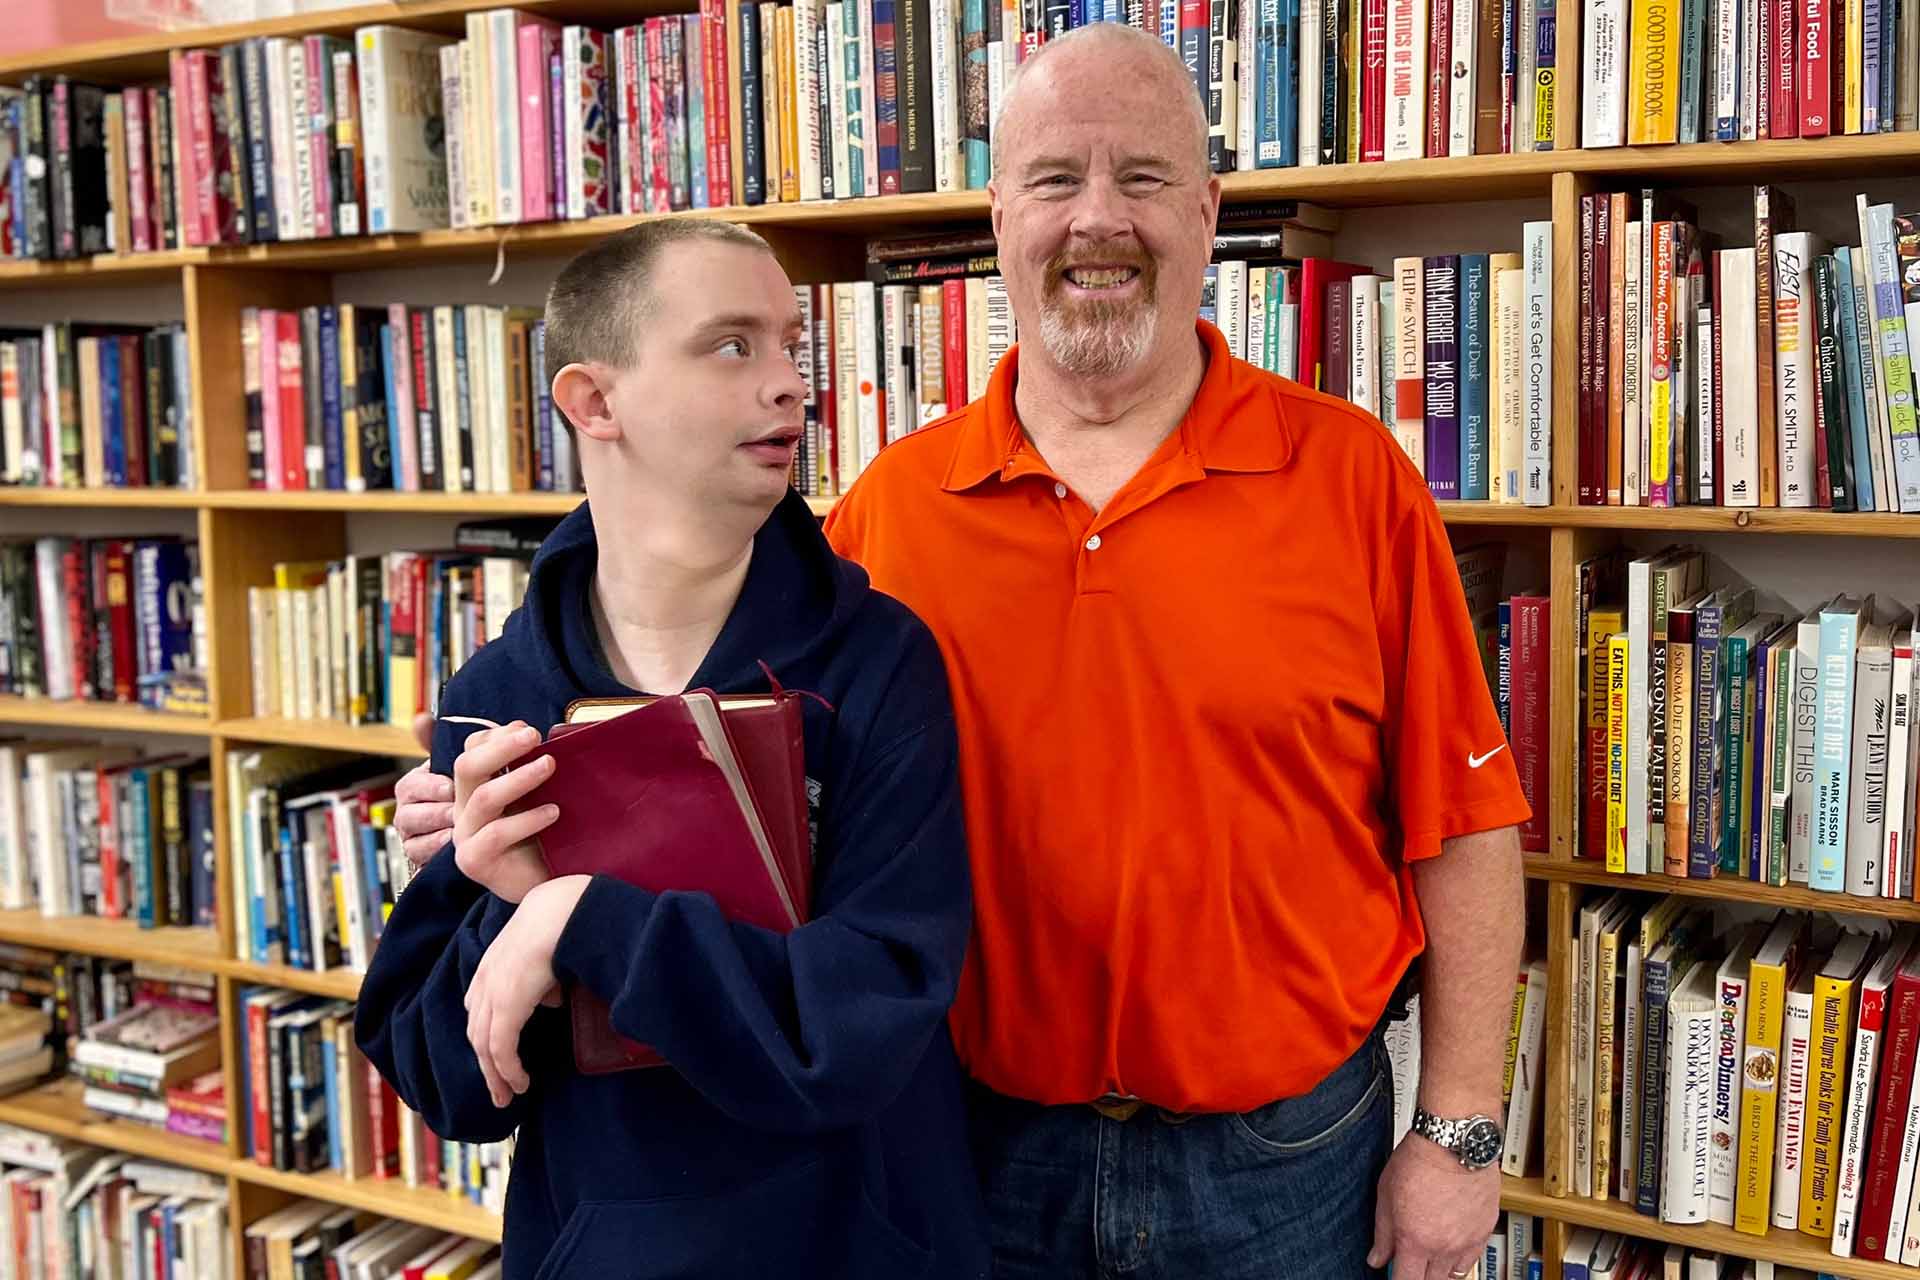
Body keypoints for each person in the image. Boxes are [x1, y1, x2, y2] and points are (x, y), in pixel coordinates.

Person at [395, 24, 1526, 1280]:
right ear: (999, 218)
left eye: (1144, 178)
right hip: (969, 1154)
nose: (1099, 219)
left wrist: (1461, 1136)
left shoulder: (1353, 478)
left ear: (1210, 210)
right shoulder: (887, 513)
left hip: (1286, 1161)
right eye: (1054, 179)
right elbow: (706, 791)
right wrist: (490, 819)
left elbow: (1464, 824)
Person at [354, 218, 991, 1280]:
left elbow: (865, 1024)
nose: (791, 382)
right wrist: (502, 904)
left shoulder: (882, 661)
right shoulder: (498, 697)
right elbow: (445, 1080)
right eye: (733, 344)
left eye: (792, 343)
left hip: (861, 1243)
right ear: (594, 402)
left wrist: (580, 916)